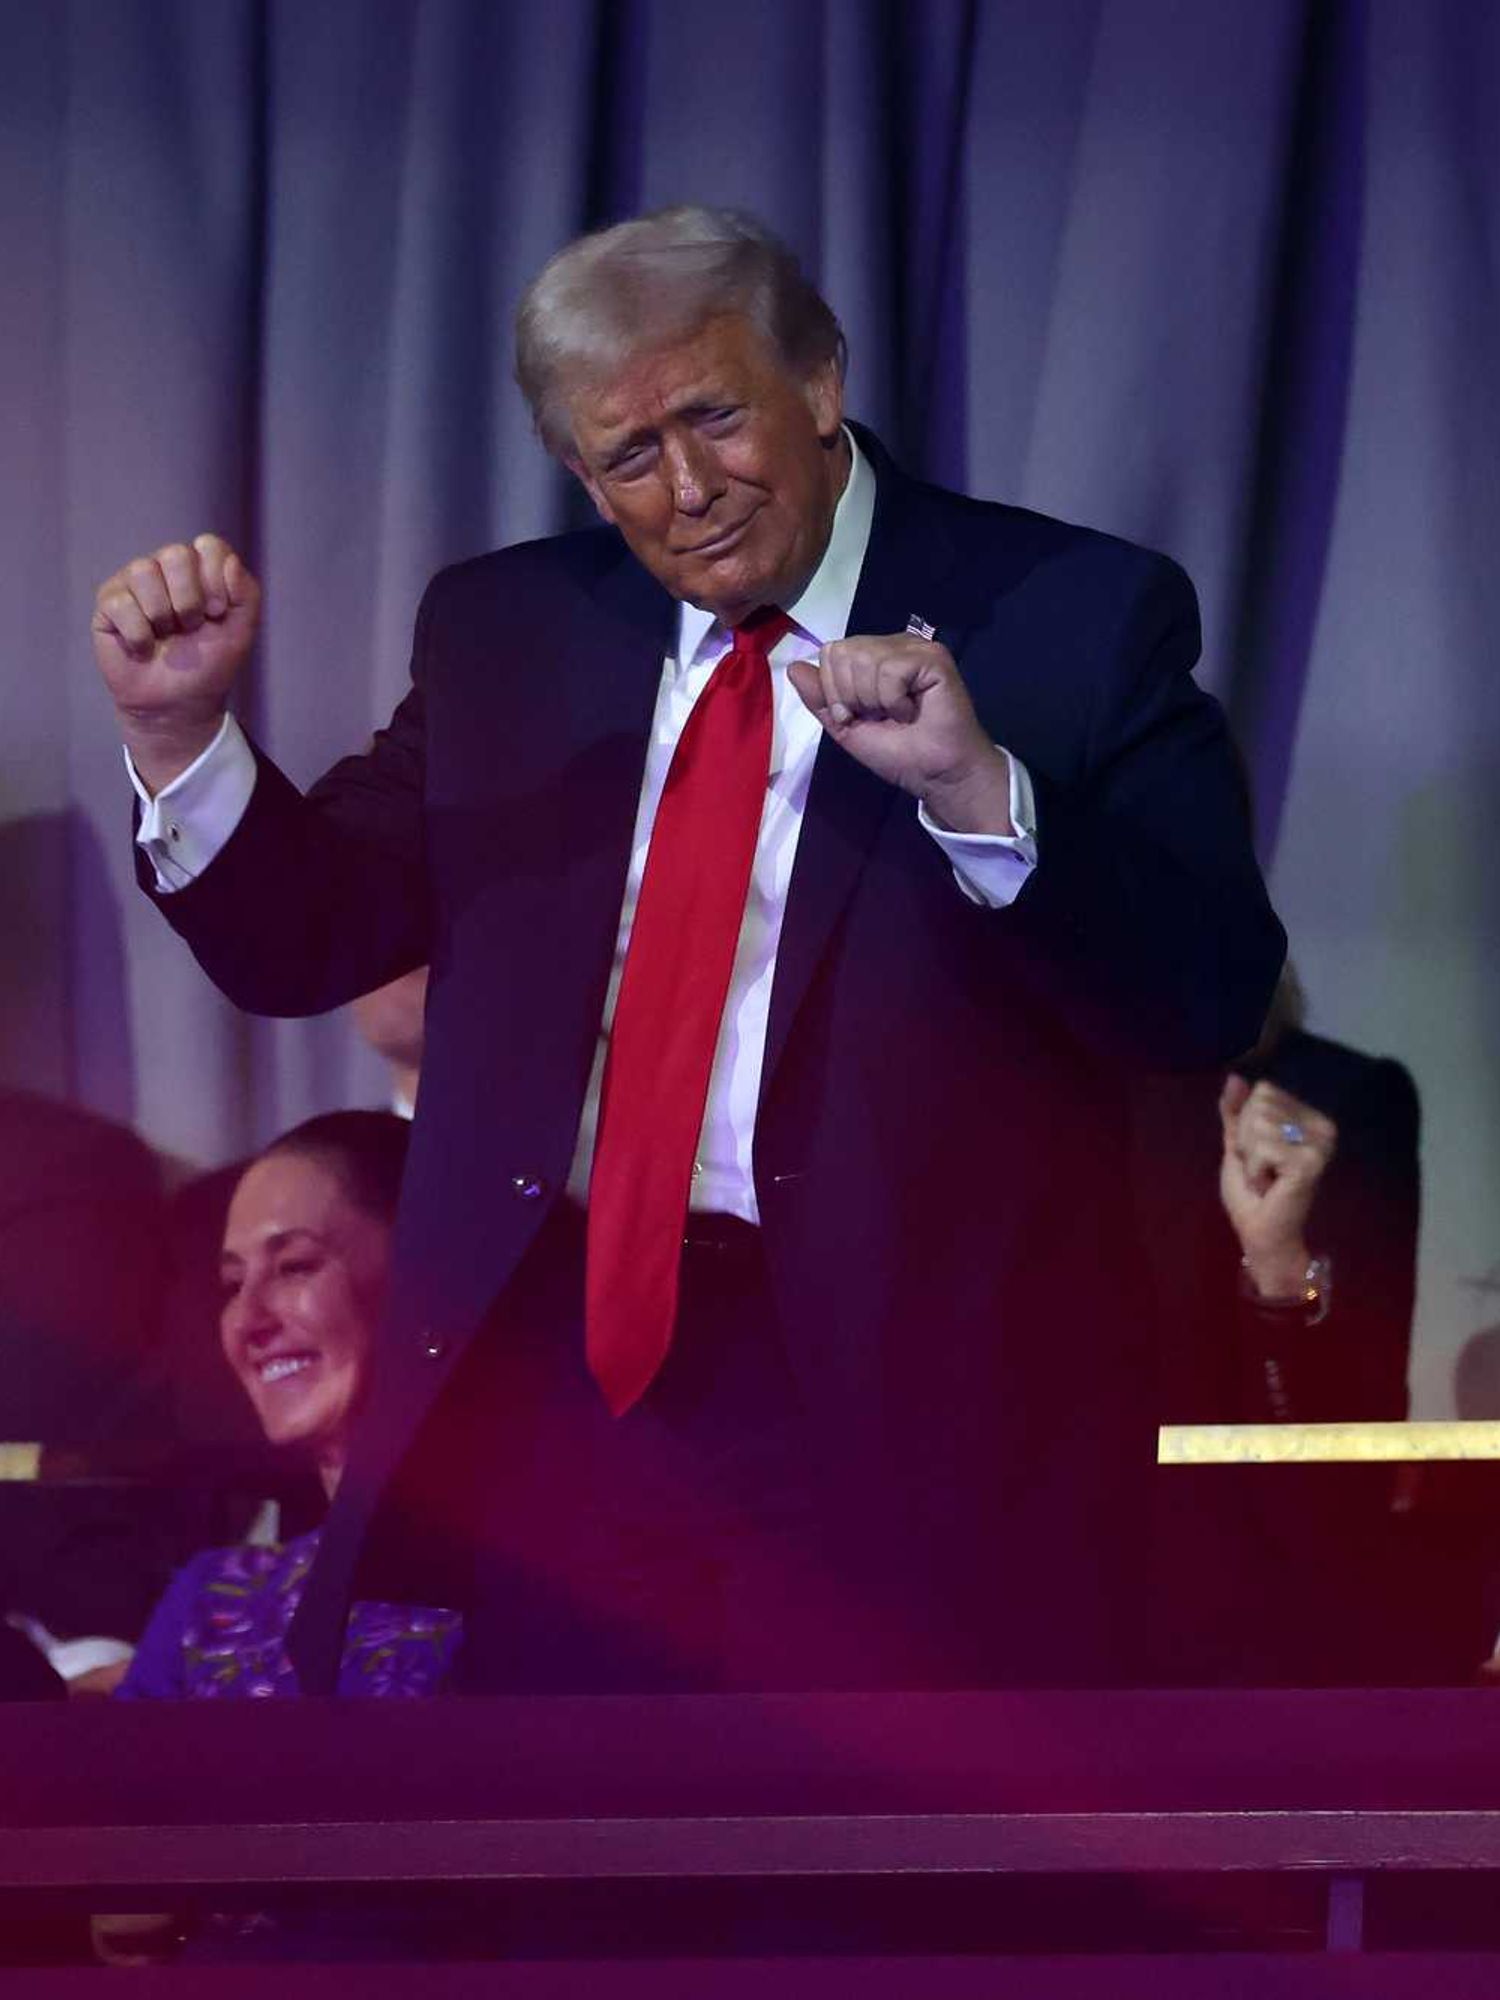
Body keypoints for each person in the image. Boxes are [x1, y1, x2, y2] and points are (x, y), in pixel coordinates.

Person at [92, 205, 1284, 1695]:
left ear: (823, 383)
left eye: (718, 417)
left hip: (918, 1436)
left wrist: (981, 795)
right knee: (579, 1904)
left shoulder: (1070, 614)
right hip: (571, 1414)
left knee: (873, 1918)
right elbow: (306, 933)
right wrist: (182, 735)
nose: (691, 488)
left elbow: (1205, 990)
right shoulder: (512, 631)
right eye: (629, 456)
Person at [116, 1112, 459, 1698]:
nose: (248, 1320)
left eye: (295, 1266)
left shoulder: (561, 1593)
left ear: (425, 1274)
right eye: (231, 1285)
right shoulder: (211, 1604)